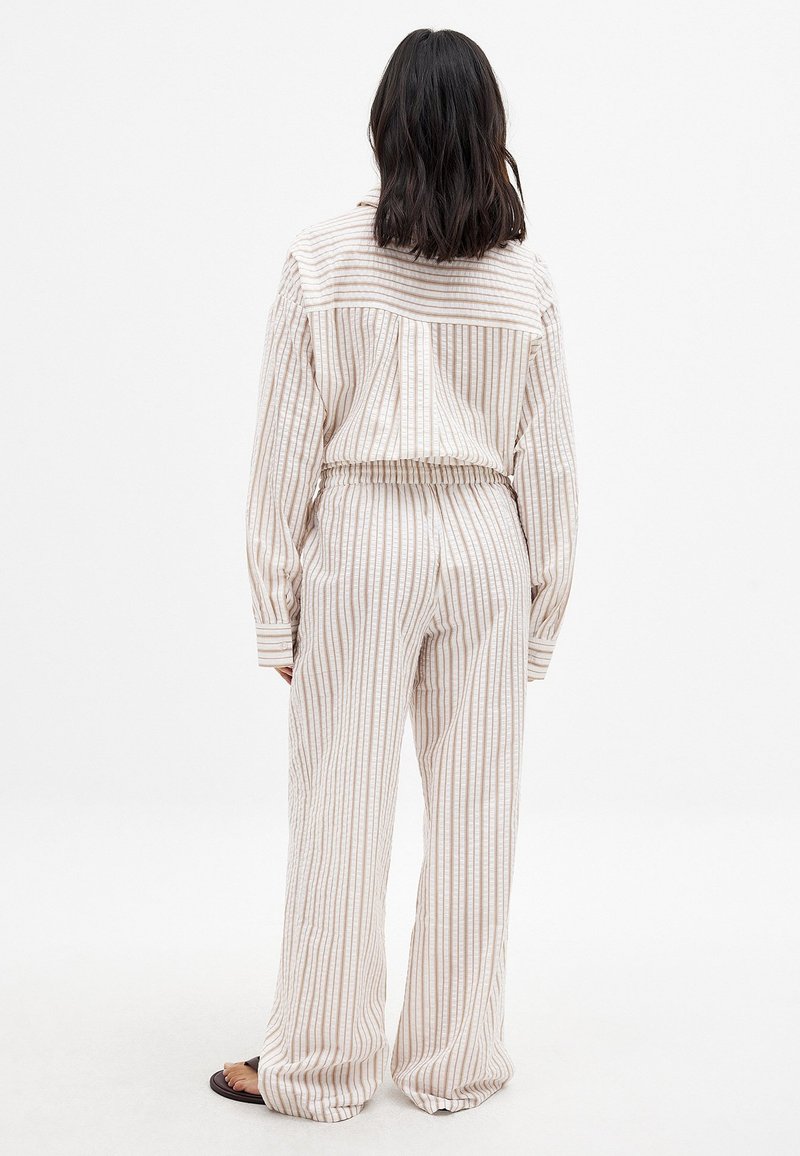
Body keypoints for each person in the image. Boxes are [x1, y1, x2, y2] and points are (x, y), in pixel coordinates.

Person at [209, 27, 578, 1123]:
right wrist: (540, 615)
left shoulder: (322, 259)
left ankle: (321, 1064)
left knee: (340, 804)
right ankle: (453, 1062)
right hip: (485, 544)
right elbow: (549, 464)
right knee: (477, 812)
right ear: (488, 133)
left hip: (362, 541)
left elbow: (284, 447)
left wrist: (276, 608)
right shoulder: (522, 280)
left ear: (386, 129)